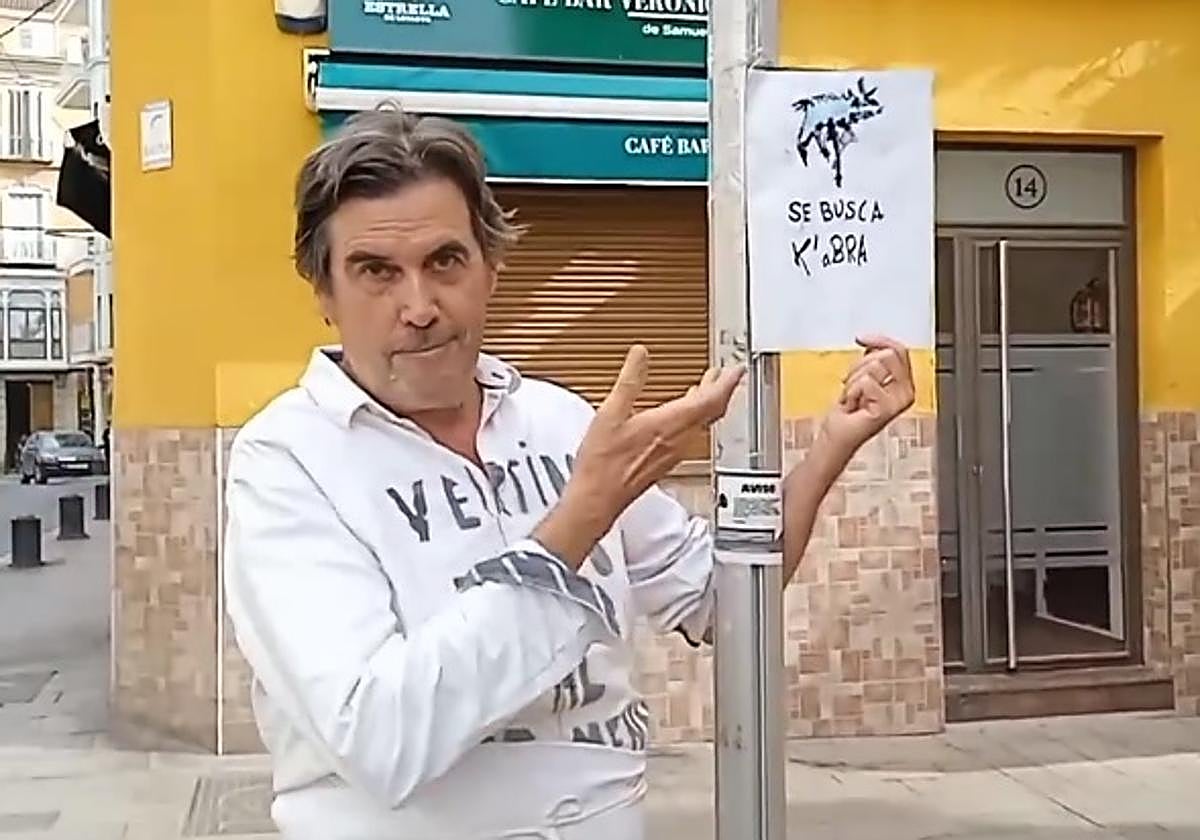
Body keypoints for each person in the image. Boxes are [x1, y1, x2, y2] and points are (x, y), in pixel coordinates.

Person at [223, 103, 916, 840]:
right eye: (376, 272)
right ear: (324, 293)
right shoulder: (287, 460)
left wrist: (830, 446)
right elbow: (381, 737)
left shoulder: (557, 421)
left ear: (491, 269)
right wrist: (580, 518)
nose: (419, 307)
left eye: (445, 262)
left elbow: (721, 597)